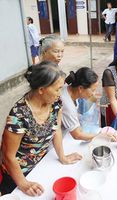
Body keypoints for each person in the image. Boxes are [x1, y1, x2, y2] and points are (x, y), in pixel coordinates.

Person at [0, 61, 82, 196]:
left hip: (40, 165)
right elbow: (8, 156)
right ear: (41, 89)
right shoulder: (18, 116)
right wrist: (23, 183)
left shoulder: (55, 103)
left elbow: (56, 129)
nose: (59, 93)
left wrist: (62, 157)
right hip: (18, 174)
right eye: (57, 89)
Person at [61, 67, 115, 142]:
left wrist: (96, 101)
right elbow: (77, 135)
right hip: (51, 147)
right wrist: (101, 136)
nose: (94, 93)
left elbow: (90, 98)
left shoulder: (70, 88)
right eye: (93, 90)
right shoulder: (67, 105)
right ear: (80, 88)